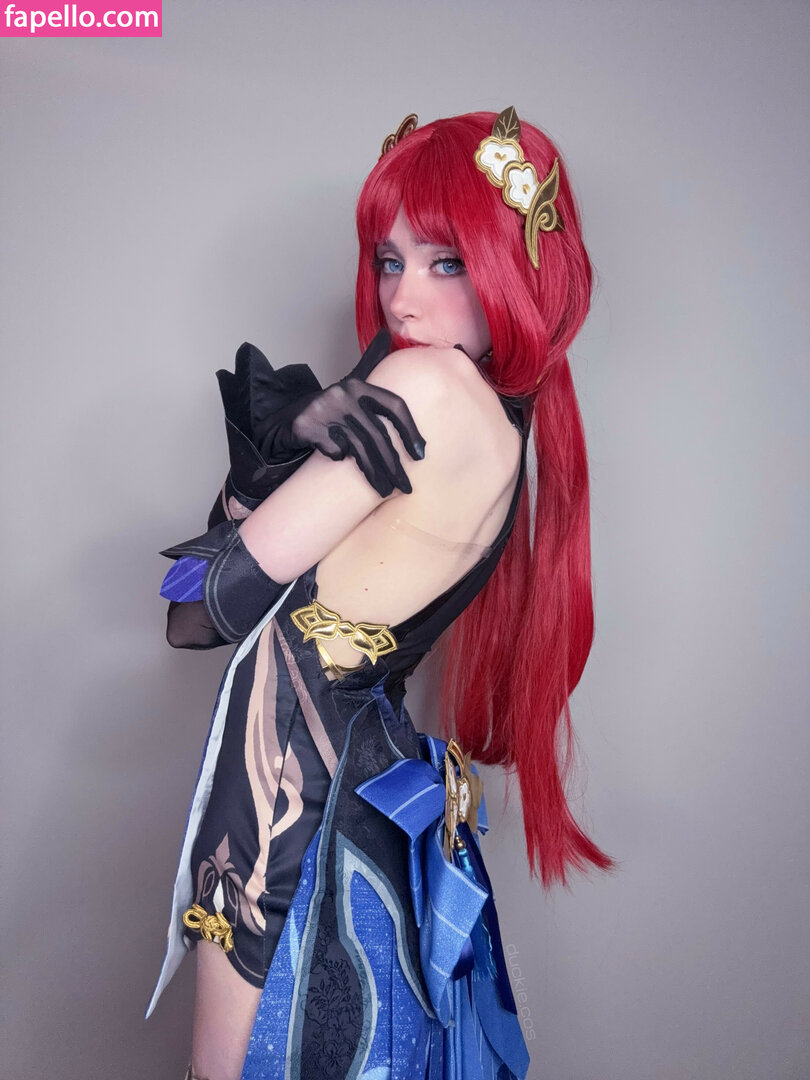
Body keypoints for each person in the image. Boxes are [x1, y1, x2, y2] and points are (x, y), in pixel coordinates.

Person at [147, 107, 613, 1080]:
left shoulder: (425, 389)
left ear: (517, 264)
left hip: (291, 800)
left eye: (446, 261)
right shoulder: (500, 424)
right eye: (389, 259)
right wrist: (279, 451)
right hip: (352, 783)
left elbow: (197, 612)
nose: (403, 295)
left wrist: (271, 450)